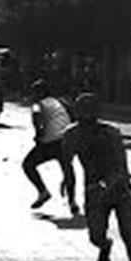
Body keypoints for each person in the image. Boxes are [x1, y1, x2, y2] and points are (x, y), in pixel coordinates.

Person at [62, 94, 131, 261]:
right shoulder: (72, 135)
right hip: (94, 191)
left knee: (128, 234)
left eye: (91, 110)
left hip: (120, 189)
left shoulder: (111, 133)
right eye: (83, 111)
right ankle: (105, 246)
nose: (87, 116)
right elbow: (68, 166)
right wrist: (70, 193)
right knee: (95, 236)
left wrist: (110, 184)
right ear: (77, 113)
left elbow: (121, 166)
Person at [22, 79, 78, 214]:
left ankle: (43, 192)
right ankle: (72, 202)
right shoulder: (62, 102)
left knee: (28, 165)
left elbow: (37, 120)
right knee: (67, 169)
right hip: (66, 140)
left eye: (34, 93)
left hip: (50, 142)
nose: (33, 96)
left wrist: (38, 137)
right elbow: (73, 119)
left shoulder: (37, 105)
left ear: (40, 93)